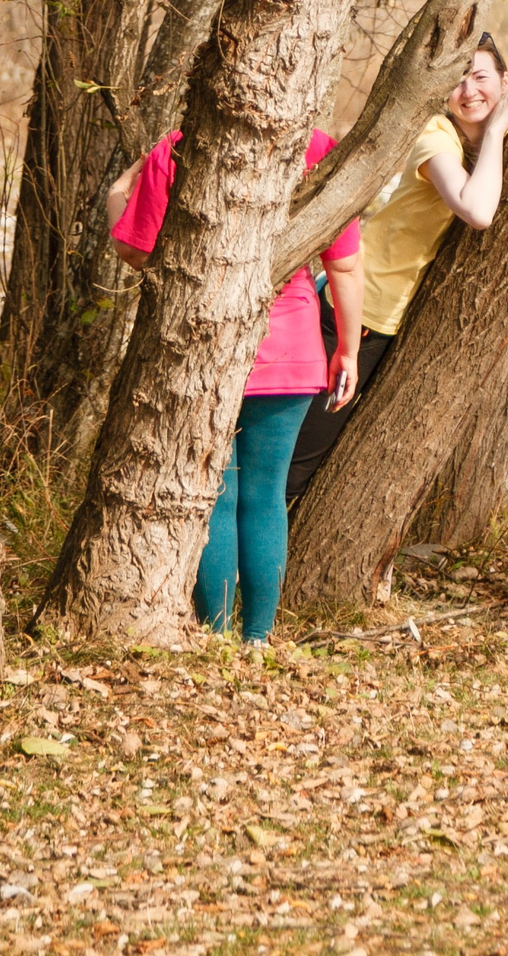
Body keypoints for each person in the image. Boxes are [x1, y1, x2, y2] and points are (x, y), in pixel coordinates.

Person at [284, 34, 508, 499]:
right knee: (299, 465)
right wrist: (497, 131)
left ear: (504, 80)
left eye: (480, 77)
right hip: (361, 308)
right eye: (457, 82)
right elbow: (476, 211)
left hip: (400, 318)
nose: (469, 91)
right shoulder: (435, 135)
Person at [107, 126, 361, 643]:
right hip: (292, 347)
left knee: (216, 495)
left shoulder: (181, 143)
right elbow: (345, 266)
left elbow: (136, 251)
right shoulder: (316, 148)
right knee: (266, 495)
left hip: (204, 346)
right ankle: (257, 638)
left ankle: (217, 637)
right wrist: (348, 350)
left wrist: (118, 191)